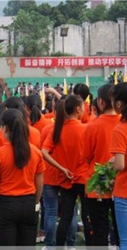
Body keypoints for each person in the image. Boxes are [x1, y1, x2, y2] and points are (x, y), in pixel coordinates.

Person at [0, 109, 45, 246]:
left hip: (6, 206)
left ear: (4, 128)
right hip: (28, 203)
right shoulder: (35, 152)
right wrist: (34, 201)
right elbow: (40, 183)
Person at [42, 95, 92, 247]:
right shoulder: (86, 129)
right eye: (83, 106)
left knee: (65, 217)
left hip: (66, 180)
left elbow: (44, 152)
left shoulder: (57, 130)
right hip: (84, 179)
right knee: (86, 217)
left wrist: (62, 168)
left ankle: (58, 246)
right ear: (78, 109)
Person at [82, 84, 120, 247]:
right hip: (121, 183)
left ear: (101, 102)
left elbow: (86, 156)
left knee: (99, 230)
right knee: (121, 230)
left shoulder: (92, 126)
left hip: (97, 185)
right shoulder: (123, 123)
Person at [110, 82, 127, 250]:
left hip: (124, 191)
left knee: (125, 240)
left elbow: (120, 165)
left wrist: (113, 161)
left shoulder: (121, 129)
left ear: (120, 103)